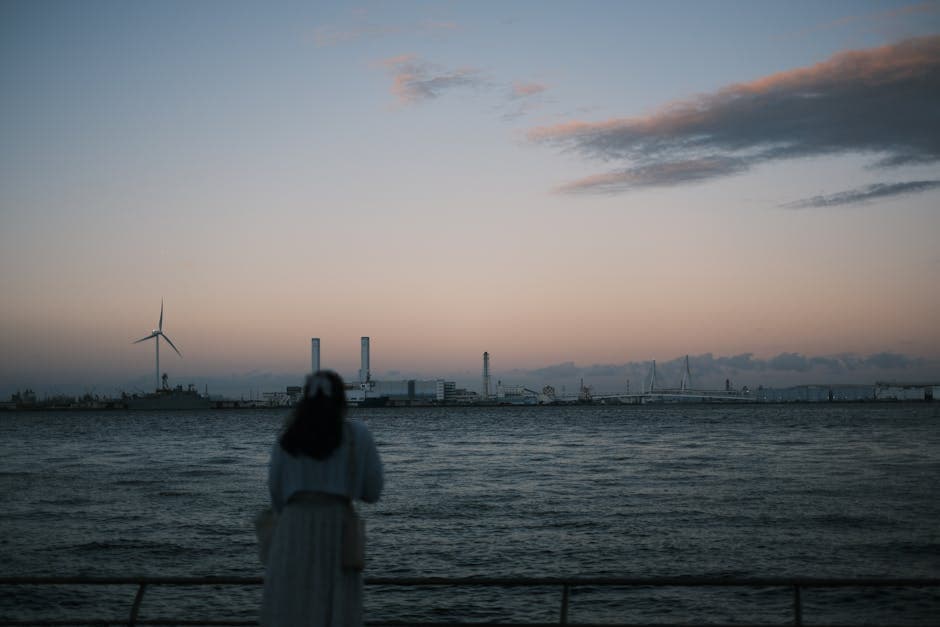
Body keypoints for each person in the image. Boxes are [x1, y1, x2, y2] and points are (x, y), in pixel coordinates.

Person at [260, 370, 384, 627]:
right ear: (342, 400)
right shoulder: (357, 435)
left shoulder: (286, 439)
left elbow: (276, 495)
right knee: (335, 607)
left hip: (291, 532)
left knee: (291, 606)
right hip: (337, 532)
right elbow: (373, 491)